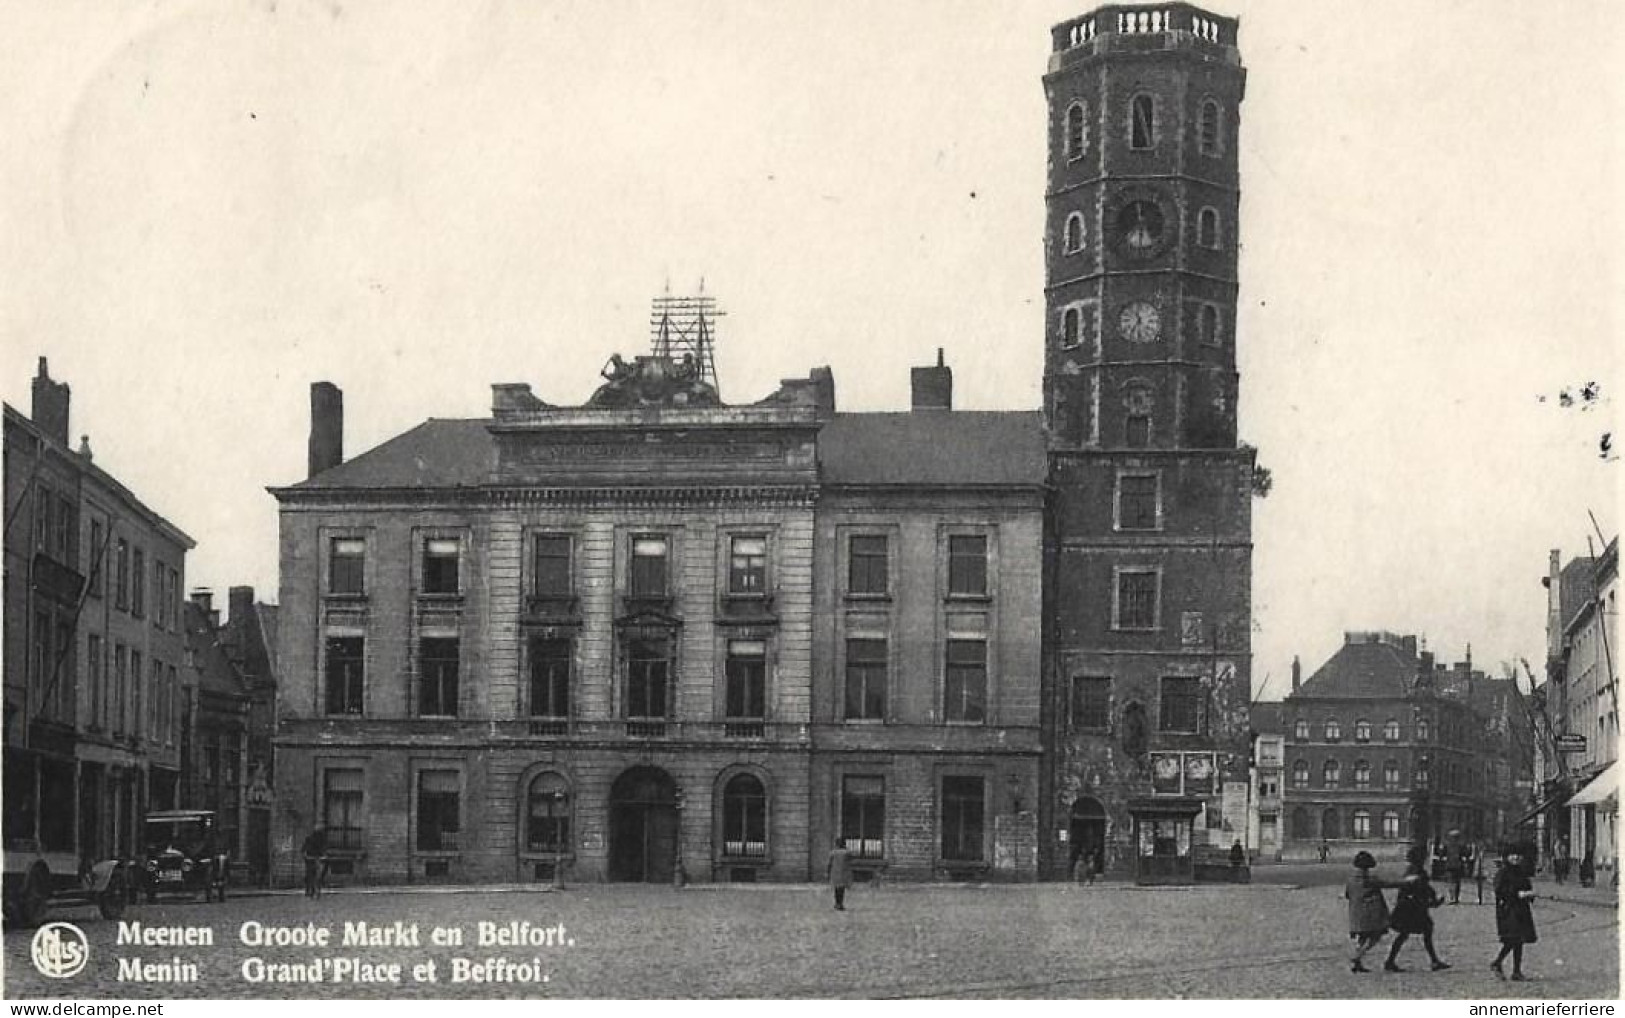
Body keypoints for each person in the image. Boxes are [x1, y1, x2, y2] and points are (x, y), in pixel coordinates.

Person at [1385, 845, 1450, 972]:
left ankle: (1391, 961)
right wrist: (1433, 900)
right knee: (1415, 933)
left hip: (1410, 906)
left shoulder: (1413, 870)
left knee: (1410, 934)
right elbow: (1420, 887)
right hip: (1412, 908)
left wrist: (1432, 898)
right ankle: (1433, 961)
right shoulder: (1415, 871)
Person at [1345, 850, 1395, 973]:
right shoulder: (1370, 879)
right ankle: (1357, 957)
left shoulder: (1351, 879)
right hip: (1371, 914)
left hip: (1356, 914)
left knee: (1362, 938)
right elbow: (1389, 884)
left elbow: (1347, 894)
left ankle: (1357, 963)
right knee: (1375, 936)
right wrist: (1408, 882)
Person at [1491, 848, 1537, 981]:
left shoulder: (1521, 872)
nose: (1516, 857)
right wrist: (1517, 894)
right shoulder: (1503, 872)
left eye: (1518, 854)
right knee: (1513, 938)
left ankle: (1516, 971)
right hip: (1508, 909)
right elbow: (1499, 891)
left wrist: (1530, 894)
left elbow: (1527, 886)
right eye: (1512, 855)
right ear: (1507, 857)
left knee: (1519, 940)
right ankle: (1497, 962)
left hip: (1521, 909)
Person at [827, 836, 852, 911]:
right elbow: (850, 860)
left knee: (836, 889)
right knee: (842, 889)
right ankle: (840, 903)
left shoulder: (833, 852)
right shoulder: (847, 852)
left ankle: (836, 903)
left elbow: (829, 863)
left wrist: (828, 872)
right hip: (844, 872)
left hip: (835, 872)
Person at [301, 826, 327, 899]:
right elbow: (304, 850)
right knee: (315, 877)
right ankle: (314, 891)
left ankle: (312, 891)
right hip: (314, 859)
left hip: (313, 859)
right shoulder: (319, 839)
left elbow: (304, 850)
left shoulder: (310, 839)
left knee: (312, 876)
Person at [1444, 837, 1465, 904]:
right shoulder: (1448, 846)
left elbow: (1463, 855)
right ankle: (1453, 898)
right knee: (1453, 882)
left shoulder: (1458, 847)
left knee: (1454, 882)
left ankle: (1454, 898)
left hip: (1454, 866)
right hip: (1453, 866)